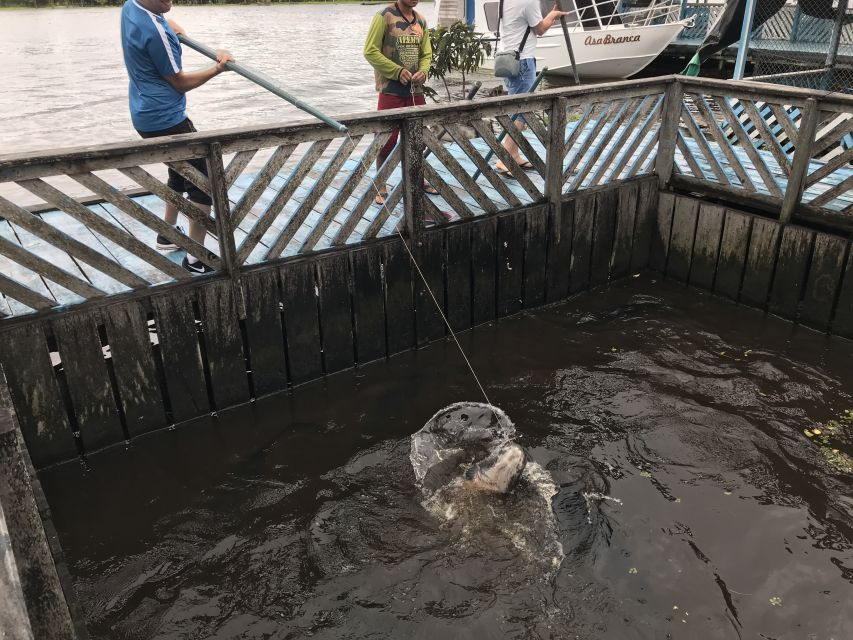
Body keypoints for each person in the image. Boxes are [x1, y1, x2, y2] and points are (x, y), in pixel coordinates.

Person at [120, 0, 234, 274]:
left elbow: (164, 24)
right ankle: (196, 260)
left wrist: (173, 28)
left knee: (180, 171)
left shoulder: (131, 7)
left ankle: (166, 236)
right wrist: (219, 67)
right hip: (166, 119)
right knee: (204, 183)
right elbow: (180, 82)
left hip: (144, 114)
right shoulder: (155, 33)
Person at [363, 0, 439, 206]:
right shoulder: (384, 16)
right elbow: (370, 51)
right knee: (387, 139)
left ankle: (418, 179)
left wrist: (424, 70)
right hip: (390, 89)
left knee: (419, 138)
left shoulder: (421, 21)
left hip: (415, 90)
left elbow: (426, 54)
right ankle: (381, 183)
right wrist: (396, 71)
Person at [495, 0, 569, 176]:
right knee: (522, 112)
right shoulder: (529, 1)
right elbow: (540, 29)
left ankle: (513, 153)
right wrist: (553, 15)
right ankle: (504, 157)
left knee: (516, 109)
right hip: (523, 62)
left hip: (508, 58)